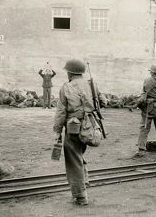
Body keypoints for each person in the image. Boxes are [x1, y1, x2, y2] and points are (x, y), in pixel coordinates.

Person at [53, 59, 106, 206]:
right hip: (90, 127)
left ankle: (81, 196)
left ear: (70, 72)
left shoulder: (66, 87)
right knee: (78, 155)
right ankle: (83, 183)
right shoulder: (92, 84)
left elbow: (61, 112)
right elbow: (103, 102)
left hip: (73, 128)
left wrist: (57, 131)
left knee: (73, 161)